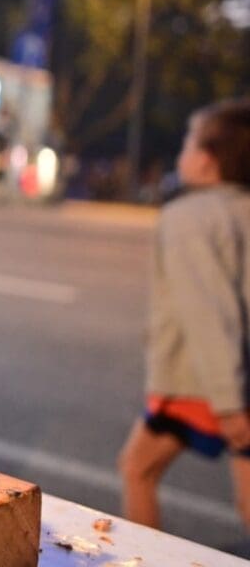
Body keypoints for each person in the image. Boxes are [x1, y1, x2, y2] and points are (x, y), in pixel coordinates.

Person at [118, 98, 250, 529]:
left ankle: (147, 557)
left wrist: (229, 403)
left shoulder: (189, 217)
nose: (182, 154)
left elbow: (208, 312)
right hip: (236, 376)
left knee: (137, 469)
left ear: (207, 160)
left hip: (201, 384)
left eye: (188, 144)